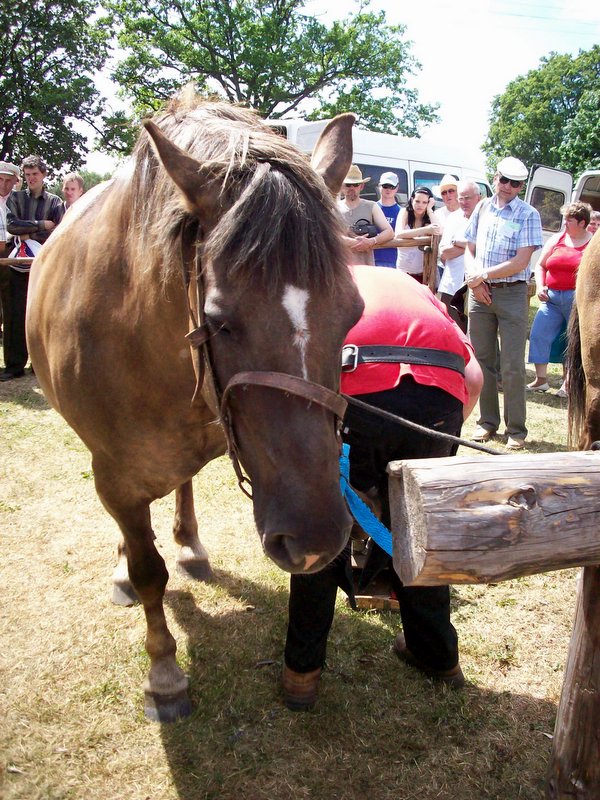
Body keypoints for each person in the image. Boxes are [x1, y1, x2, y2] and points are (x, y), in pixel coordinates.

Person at [281, 265, 483, 711]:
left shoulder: (323, 283)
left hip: (358, 392)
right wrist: (437, 443)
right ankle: (438, 658)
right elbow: (474, 380)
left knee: (325, 524)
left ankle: (302, 674)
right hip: (441, 396)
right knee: (419, 528)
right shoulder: (420, 292)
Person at [465, 156, 543, 450]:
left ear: (522, 186)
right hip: (479, 292)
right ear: (496, 178)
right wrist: (474, 280)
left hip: (512, 293)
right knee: (481, 361)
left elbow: (521, 261)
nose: (509, 186)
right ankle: (487, 422)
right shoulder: (482, 207)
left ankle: (516, 430)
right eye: (505, 180)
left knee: (512, 365)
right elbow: (469, 247)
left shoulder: (529, 214)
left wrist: (481, 276)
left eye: (516, 183)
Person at [2, 156, 64, 381]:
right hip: (18, 266)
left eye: (35, 174)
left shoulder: (55, 202)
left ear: (44, 175)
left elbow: (57, 231)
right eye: (27, 175)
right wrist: (41, 225)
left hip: (45, 267)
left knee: (44, 315)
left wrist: (28, 233)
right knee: (15, 315)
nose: (31, 179)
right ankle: (14, 366)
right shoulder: (16, 198)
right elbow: (12, 226)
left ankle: (41, 366)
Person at [527, 202, 593, 395]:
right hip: (551, 299)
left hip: (577, 301)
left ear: (582, 223)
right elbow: (541, 265)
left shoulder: (592, 244)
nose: (564, 224)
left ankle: (568, 383)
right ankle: (541, 380)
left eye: (569, 220)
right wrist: (541, 286)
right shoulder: (557, 239)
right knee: (538, 334)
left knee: (572, 341)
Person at [438, 180, 481, 314]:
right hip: (451, 285)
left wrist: (458, 243)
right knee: (448, 325)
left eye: (468, 198)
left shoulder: (487, 219)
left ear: (478, 198)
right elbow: (444, 253)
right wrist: (472, 246)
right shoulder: (453, 218)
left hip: (477, 288)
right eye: (461, 198)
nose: (464, 202)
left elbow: (486, 248)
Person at [338, 165, 394, 266]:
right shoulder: (334, 208)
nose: (352, 188)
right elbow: (329, 235)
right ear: (342, 186)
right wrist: (351, 242)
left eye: (356, 185)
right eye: (348, 185)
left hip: (366, 267)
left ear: (361, 186)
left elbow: (389, 232)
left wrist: (372, 241)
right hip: (341, 267)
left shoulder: (371, 206)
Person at [394, 186, 441, 282]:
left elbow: (439, 230)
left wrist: (429, 210)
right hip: (404, 272)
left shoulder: (431, 216)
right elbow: (398, 234)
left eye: (425, 202)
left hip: (425, 273)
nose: (420, 205)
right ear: (412, 200)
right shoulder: (405, 212)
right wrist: (425, 230)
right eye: (417, 201)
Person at [0, 161, 20, 350]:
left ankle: (12, 358)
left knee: (11, 309)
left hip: (11, 254)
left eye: (8, 180)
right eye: (0, 179)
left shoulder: (19, 201)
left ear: (15, 181)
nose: (4, 184)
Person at [373, 171, 401, 268]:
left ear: (397, 188)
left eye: (392, 186)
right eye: (385, 186)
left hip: (394, 261)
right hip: (373, 261)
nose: (388, 189)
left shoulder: (402, 212)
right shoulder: (371, 208)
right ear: (379, 186)